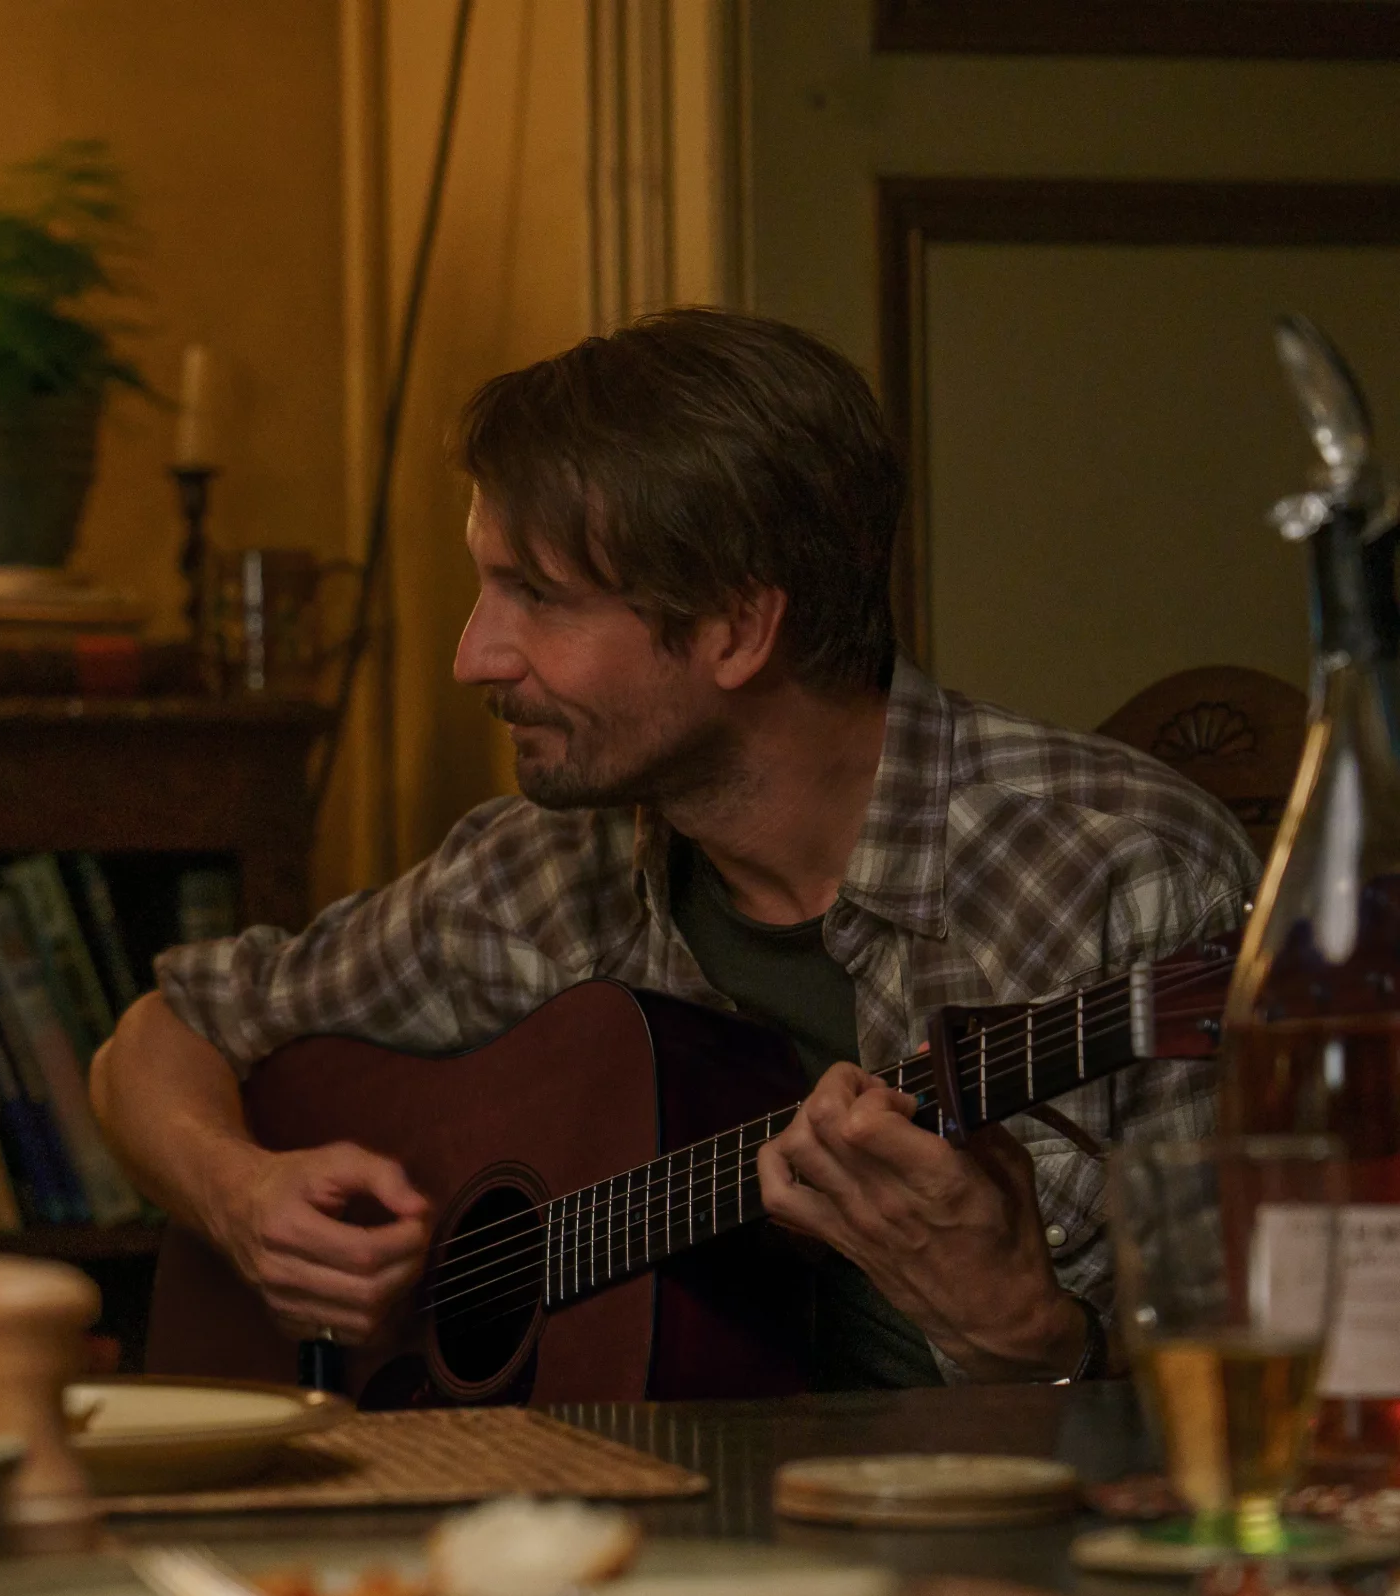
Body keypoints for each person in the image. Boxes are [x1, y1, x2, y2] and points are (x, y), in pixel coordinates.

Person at [91, 308, 1257, 1389]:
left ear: (736, 628)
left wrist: (1027, 1342)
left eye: (535, 595)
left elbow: (1257, 1422)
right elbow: (157, 1040)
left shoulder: (1125, 879)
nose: (473, 657)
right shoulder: (532, 873)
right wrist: (242, 1197)